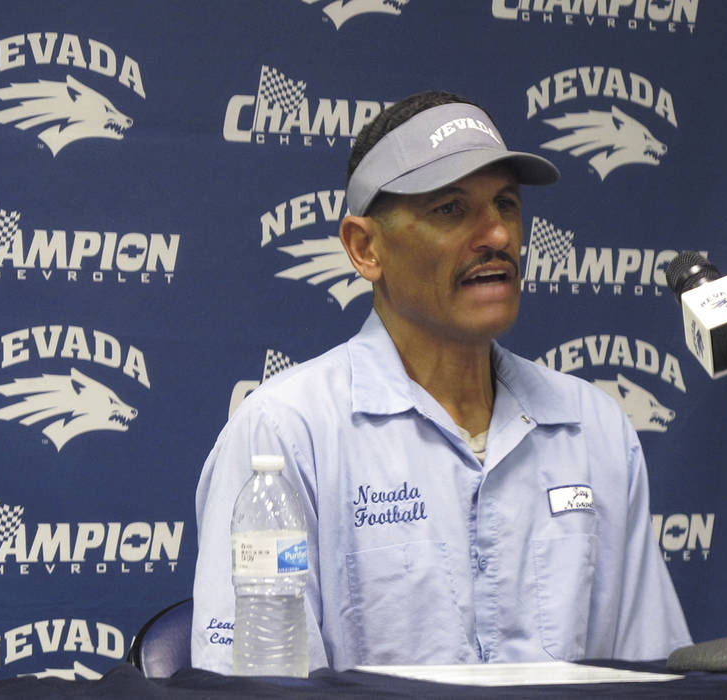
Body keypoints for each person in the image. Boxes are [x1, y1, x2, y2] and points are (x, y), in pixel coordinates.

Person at [191, 90, 691, 673]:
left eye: (505, 204)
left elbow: (651, 675)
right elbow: (259, 685)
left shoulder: (594, 427)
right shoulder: (285, 433)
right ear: (364, 247)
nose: (498, 235)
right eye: (451, 209)